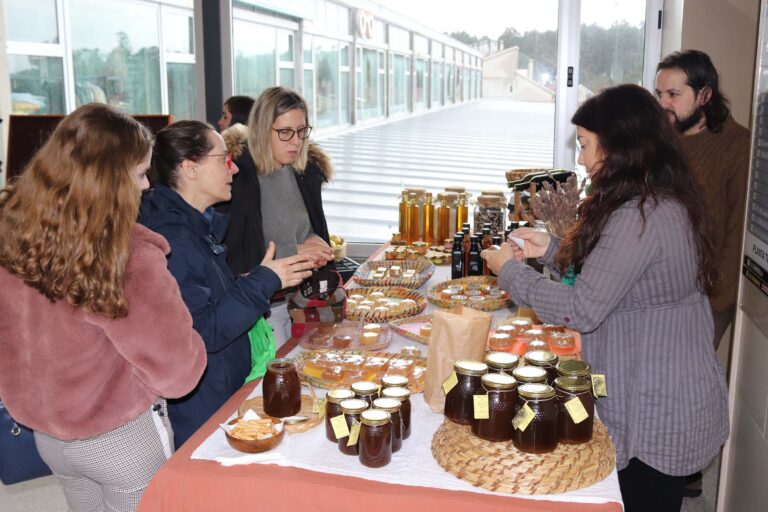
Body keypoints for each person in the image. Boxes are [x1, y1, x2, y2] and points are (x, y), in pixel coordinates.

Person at [483, 84, 729, 512]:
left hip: (657, 402)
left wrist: (511, 272)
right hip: (656, 383)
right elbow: (620, 277)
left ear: (618, 146)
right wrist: (554, 248)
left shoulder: (641, 214)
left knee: (642, 499)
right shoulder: (653, 198)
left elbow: (582, 309)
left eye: (584, 145)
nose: (579, 159)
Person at [0, 104, 207, 511]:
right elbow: (179, 372)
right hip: (122, 439)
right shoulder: (127, 253)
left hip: (48, 436)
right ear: (106, 180)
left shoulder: (13, 233)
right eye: (139, 174)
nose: (148, 186)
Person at [140, 120, 314, 448]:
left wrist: (253, 280)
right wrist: (262, 282)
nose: (232, 169)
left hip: (218, 387)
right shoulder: (172, 239)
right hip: (200, 403)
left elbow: (205, 295)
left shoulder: (193, 226)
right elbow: (202, 330)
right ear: (190, 168)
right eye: (223, 159)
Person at [655, 50, 751, 350]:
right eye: (659, 94)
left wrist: (715, 303)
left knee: (684, 383)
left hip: (706, 299)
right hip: (657, 290)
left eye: (673, 94)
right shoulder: (663, 141)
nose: (663, 104)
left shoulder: (738, 146)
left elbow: (738, 233)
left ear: (705, 95)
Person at [220, 86, 334, 275]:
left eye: (301, 131)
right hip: (261, 300)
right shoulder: (236, 179)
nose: (296, 141)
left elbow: (302, 230)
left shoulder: (305, 172)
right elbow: (233, 257)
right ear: (262, 131)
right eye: (285, 132)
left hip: (301, 295)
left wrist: (313, 238)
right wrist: (293, 253)